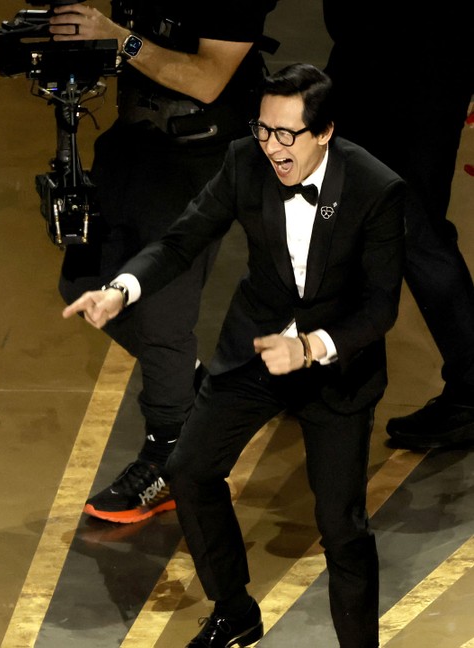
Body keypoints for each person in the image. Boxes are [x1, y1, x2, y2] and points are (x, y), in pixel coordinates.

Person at [64, 64, 405, 647]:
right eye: (264, 129)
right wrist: (122, 289)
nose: (272, 146)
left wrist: (309, 348)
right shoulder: (245, 161)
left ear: (324, 132)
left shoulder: (375, 188)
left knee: (340, 528)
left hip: (333, 366)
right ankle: (235, 610)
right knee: (190, 470)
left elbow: (379, 309)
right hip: (255, 346)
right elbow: (182, 238)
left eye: (286, 134)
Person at [48, 0, 277, 524]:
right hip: (134, 142)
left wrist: (117, 39)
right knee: (81, 281)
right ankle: (204, 392)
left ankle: (168, 459)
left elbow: (207, 80)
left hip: (201, 156)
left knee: (161, 315)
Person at [323, 1, 474, 450]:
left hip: (407, 70)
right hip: (407, 64)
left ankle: (470, 390)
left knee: (414, 230)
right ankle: (337, 370)